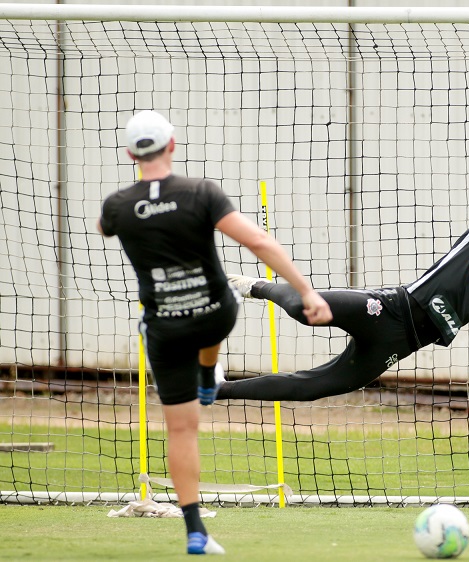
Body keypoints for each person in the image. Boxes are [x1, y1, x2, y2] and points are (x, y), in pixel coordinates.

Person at [221, 82, 469, 404]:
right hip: (392, 308)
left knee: (314, 387)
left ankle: (216, 390)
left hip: (405, 343)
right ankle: (257, 286)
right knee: (305, 310)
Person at [97, 110, 332, 555]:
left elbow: (104, 229)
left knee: (181, 430)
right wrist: (306, 291)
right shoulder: (201, 193)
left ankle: (195, 532)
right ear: (172, 145)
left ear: (131, 154)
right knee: (224, 303)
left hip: (163, 327)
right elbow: (259, 242)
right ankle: (209, 373)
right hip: (213, 314)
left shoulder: (118, 205)